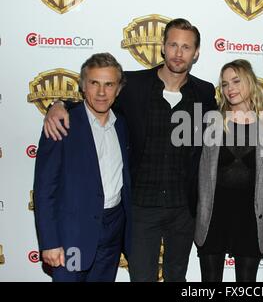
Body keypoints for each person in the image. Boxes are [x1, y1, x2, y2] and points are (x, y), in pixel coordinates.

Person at [43, 18, 217, 282]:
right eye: (173, 45)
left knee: (177, 277)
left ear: (196, 53)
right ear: (163, 47)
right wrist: (58, 104)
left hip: (183, 209)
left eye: (186, 47)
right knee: (141, 278)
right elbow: (97, 97)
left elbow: (227, 125)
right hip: (140, 208)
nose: (178, 53)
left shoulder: (204, 93)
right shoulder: (134, 85)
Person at [33, 53, 131, 282]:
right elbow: (45, 189)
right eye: (94, 83)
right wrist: (50, 243)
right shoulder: (62, 124)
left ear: (118, 89)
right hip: (72, 238)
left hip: (112, 234)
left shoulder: (123, 124)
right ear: (83, 86)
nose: (101, 92)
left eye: (109, 85)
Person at [194, 59, 263, 282]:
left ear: (250, 81)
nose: (230, 89)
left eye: (236, 81)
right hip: (213, 216)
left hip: (250, 217)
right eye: (225, 84)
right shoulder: (212, 121)